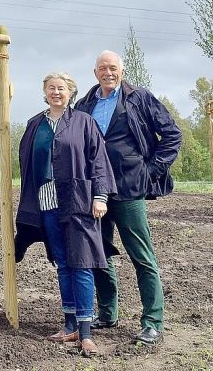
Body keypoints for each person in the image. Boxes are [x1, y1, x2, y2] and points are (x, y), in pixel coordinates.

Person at [73, 50, 182, 347]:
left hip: (130, 189)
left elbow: (172, 135)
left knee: (141, 256)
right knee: (101, 254)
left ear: (121, 70)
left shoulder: (140, 98)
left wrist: (150, 170)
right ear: (94, 73)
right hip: (96, 192)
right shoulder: (85, 104)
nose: (108, 73)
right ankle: (108, 314)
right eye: (102, 68)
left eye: (113, 68)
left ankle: (153, 322)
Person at [15, 72, 117, 357]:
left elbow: (98, 160)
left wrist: (100, 196)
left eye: (61, 88)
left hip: (78, 201)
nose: (56, 93)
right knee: (62, 263)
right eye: (51, 88)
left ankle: (85, 332)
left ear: (70, 92)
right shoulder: (35, 124)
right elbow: (26, 163)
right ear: (45, 92)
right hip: (46, 201)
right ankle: (69, 324)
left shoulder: (84, 122)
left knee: (81, 263)